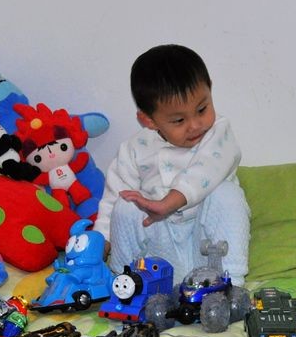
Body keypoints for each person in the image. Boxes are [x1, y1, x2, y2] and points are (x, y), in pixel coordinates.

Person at [93, 44, 250, 285]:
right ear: (149, 120)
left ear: (210, 89)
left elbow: (207, 168)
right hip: (159, 251)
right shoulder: (134, 149)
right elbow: (112, 200)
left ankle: (231, 283)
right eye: (178, 120)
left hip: (209, 246)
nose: (195, 125)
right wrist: (100, 243)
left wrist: (169, 202)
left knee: (227, 194)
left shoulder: (219, 133)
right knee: (125, 204)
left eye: (202, 109)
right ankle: (126, 281)